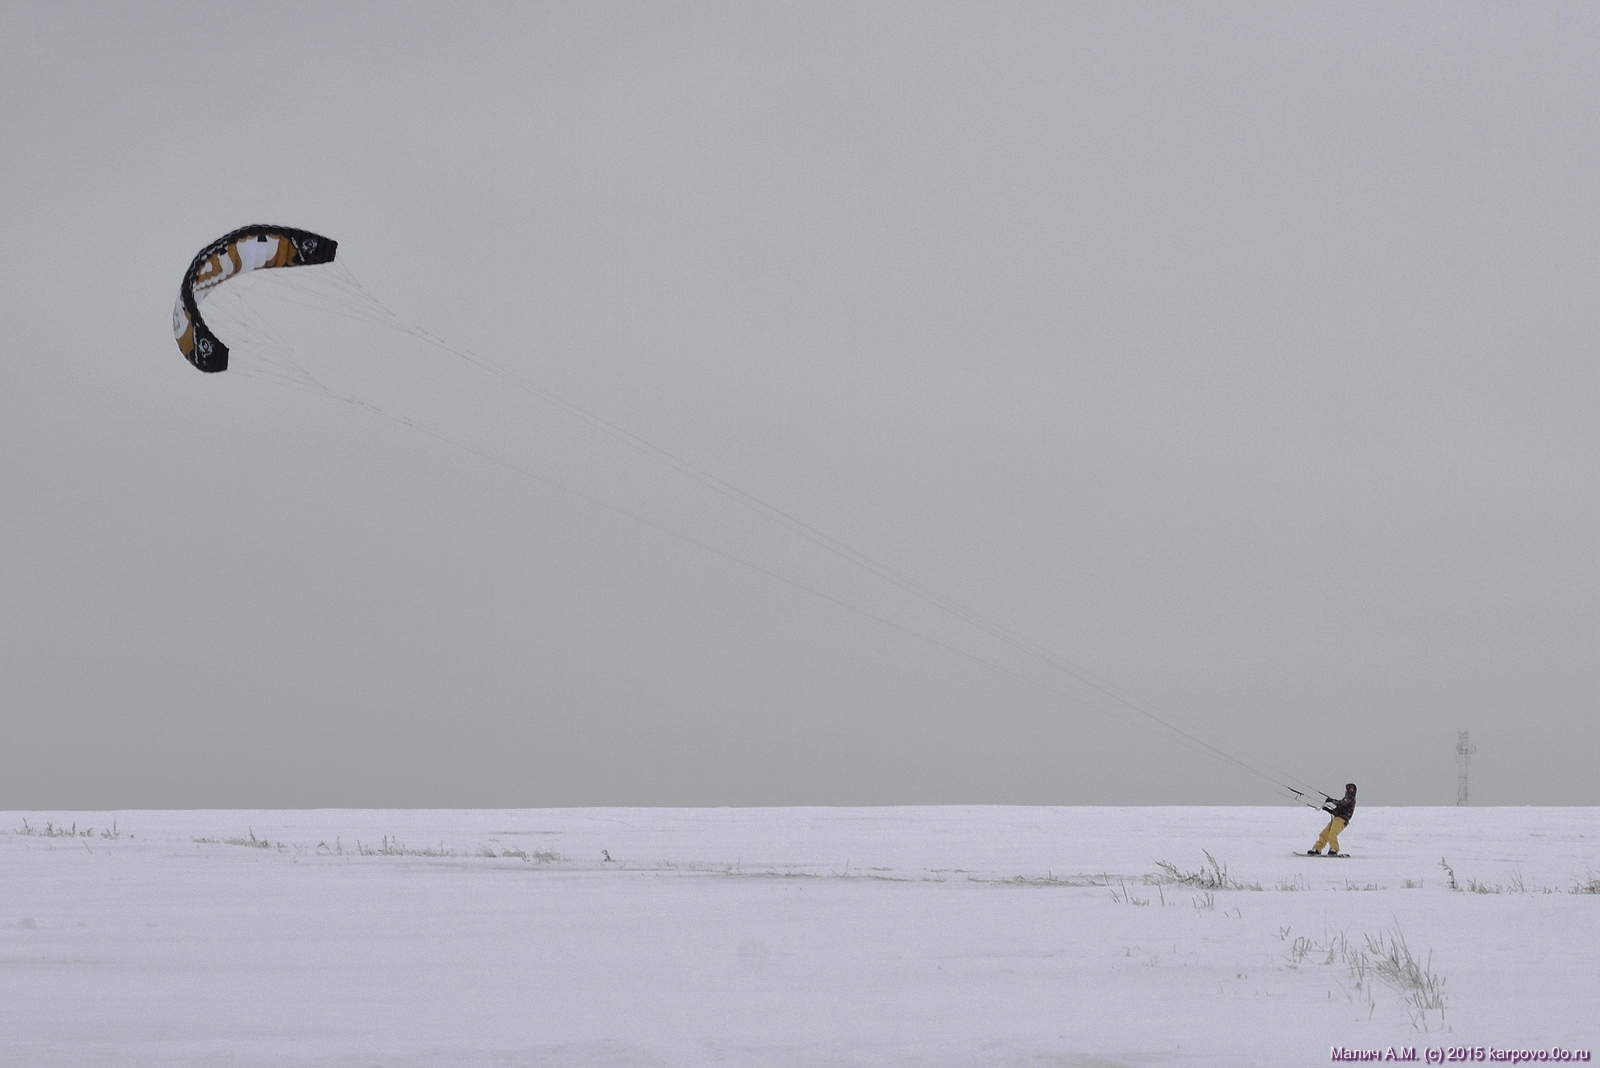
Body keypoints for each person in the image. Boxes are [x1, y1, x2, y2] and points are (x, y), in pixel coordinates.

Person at [1308, 783, 1357, 855]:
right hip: (1337, 819)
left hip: (1342, 820)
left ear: (1350, 790)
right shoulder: (1347, 798)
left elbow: (1341, 803)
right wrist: (1329, 810)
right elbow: (1339, 809)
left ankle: (1334, 849)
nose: (1345, 791)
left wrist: (1331, 800)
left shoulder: (1350, 798)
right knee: (1324, 834)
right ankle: (1317, 848)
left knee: (1332, 833)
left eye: (1347, 789)